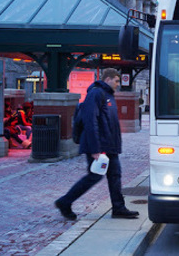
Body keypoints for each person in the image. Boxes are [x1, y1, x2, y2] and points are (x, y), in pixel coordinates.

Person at [55, 68, 139, 220]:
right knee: (94, 176)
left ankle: (118, 208)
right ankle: (64, 201)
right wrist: (95, 148)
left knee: (115, 176)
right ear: (108, 79)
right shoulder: (96, 93)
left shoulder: (108, 95)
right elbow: (90, 120)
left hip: (110, 146)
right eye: (116, 80)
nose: (118, 84)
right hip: (100, 147)